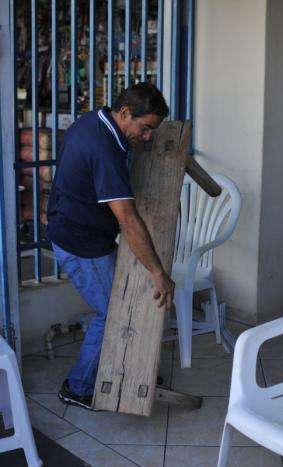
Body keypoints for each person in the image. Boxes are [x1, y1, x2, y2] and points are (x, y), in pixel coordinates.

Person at [46, 82, 175, 410]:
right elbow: (128, 220)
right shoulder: (103, 149)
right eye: (145, 129)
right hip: (81, 245)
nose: (147, 138)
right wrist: (157, 271)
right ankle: (77, 387)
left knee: (121, 306)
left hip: (80, 233)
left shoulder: (93, 121)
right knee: (113, 314)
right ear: (125, 113)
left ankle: (130, 373)